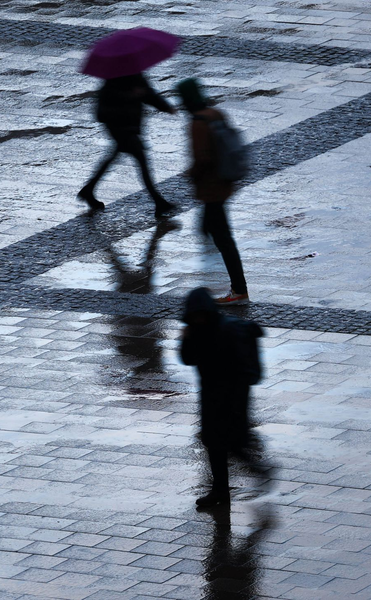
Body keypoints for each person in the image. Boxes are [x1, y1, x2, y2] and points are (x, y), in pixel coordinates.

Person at [180, 287, 266, 508]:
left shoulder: (226, 330)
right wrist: (186, 340)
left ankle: (259, 470)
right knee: (212, 441)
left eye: (201, 314)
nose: (198, 319)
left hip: (232, 394)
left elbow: (243, 367)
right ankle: (219, 491)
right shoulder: (195, 331)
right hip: (210, 394)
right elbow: (188, 359)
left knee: (232, 442)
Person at [176, 77, 249, 305]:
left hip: (211, 188)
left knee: (223, 239)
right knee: (216, 232)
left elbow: (203, 158)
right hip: (224, 183)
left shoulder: (197, 122)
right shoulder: (216, 114)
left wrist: (191, 174)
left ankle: (239, 290)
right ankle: (237, 288)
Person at [78, 73, 176, 215]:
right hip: (121, 126)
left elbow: (147, 93)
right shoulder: (117, 78)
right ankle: (159, 202)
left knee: (114, 157)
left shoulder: (130, 74)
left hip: (126, 125)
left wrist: (165, 107)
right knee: (141, 161)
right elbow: (107, 105)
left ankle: (88, 190)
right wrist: (132, 95)